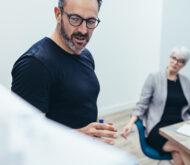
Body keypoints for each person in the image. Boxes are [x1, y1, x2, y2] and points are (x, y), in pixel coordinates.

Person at [11, 0, 117, 144]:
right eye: (75, 19)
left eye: (91, 21)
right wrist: (79, 135)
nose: (84, 30)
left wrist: (93, 133)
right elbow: (23, 137)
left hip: (82, 156)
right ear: (58, 14)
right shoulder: (35, 65)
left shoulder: (85, 55)